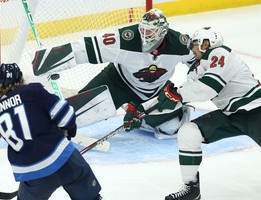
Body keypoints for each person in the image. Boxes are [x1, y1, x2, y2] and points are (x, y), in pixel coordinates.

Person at [155, 27, 261, 200]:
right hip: (230, 115)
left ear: (205, 43)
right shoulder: (198, 68)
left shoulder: (220, 53)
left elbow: (207, 89)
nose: (192, 49)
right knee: (188, 132)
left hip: (257, 111)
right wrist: (147, 109)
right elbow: (183, 93)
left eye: (195, 44)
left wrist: (176, 95)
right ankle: (191, 192)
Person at [32, 8, 195, 139]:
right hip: (117, 82)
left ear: (163, 32)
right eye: (143, 30)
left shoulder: (180, 44)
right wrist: (48, 59)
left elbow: (200, 65)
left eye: (150, 32)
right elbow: (87, 47)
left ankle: (140, 115)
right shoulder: (126, 39)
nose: (145, 36)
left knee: (172, 128)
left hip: (155, 92)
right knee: (76, 115)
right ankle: (39, 124)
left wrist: (181, 93)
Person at [0, 63, 119, 200]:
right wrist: (68, 130)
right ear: (20, 78)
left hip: (33, 173)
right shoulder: (33, 90)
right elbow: (66, 115)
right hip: (66, 160)